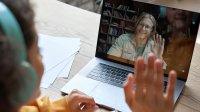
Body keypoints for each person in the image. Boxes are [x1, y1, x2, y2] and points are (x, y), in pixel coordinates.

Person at [0, 0, 176, 112]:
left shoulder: (154, 46)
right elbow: (112, 57)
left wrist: (63, 105)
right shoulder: (123, 39)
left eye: (148, 27)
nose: (144, 30)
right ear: (24, 76)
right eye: (39, 51)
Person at [162, 7, 197, 79]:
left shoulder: (195, 46)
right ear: (166, 11)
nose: (180, 11)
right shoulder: (157, 39)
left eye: (186, 6)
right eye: (174, 8)